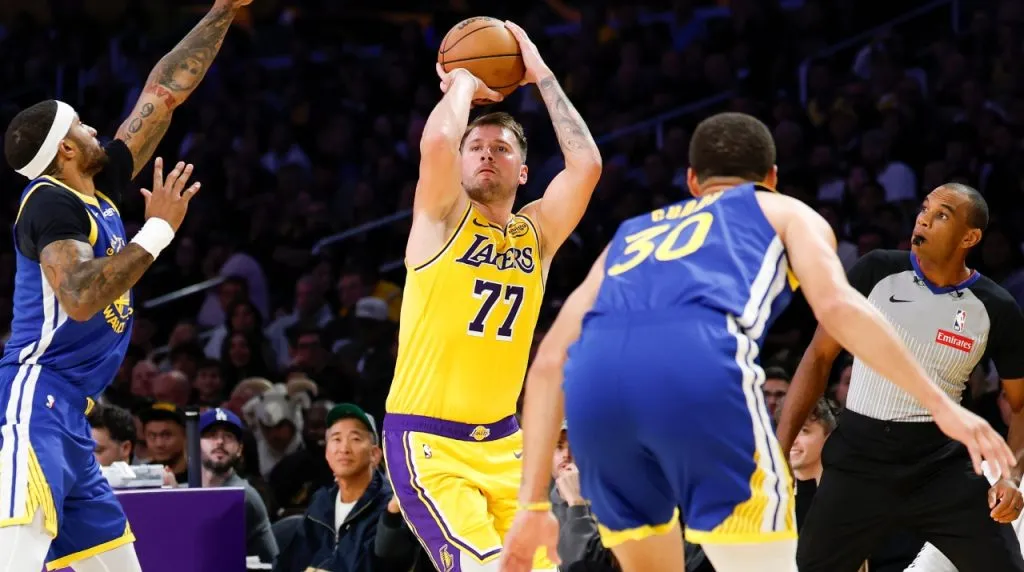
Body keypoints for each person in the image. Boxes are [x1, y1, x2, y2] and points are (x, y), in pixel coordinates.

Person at [498, 112, 1015, 572]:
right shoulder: (786, 212)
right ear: (772, 178)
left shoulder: (632, 232)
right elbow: (838, 310)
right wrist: (942, 406)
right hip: (699, 383)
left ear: (693, 181)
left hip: (598, 403)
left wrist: (533, 505)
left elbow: (548, 364)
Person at [0, 1, 252, 569]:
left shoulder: (98, 186)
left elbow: (161, 95)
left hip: (73, 413)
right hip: (35, 401)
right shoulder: (49, 203)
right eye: (81, 125)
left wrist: (222, 11)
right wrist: (157, 230)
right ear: (66, 150)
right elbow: (80, 297)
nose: (95, 128)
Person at [383, 20, 602, 572]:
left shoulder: (537, 235)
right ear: (459, 164)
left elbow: (587, 165)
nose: (486, 155)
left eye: (500, 149)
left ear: (523, 172)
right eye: (476, 147)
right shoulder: (440, 218)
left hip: (505, 443)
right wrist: (463, 81)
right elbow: (438, 141)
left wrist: (541, 73)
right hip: (430, 443)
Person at [776, 183, 1024, 572]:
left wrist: (1010, 477)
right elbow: (818, 358)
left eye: (942, 215)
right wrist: (779, 450)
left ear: (970, 237)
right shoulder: (876, 270)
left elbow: (1020, 405)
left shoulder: (996, 307)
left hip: (940, 465)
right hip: (859, 458)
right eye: (924, 209)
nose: (924, 219)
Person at [198, 407, 279, 564]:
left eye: (228, 436)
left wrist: (175, 497)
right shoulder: (190, 488)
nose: (220, 442)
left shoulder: (242, 495)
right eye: (212, 435)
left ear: (239, 449)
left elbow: (204, 540)